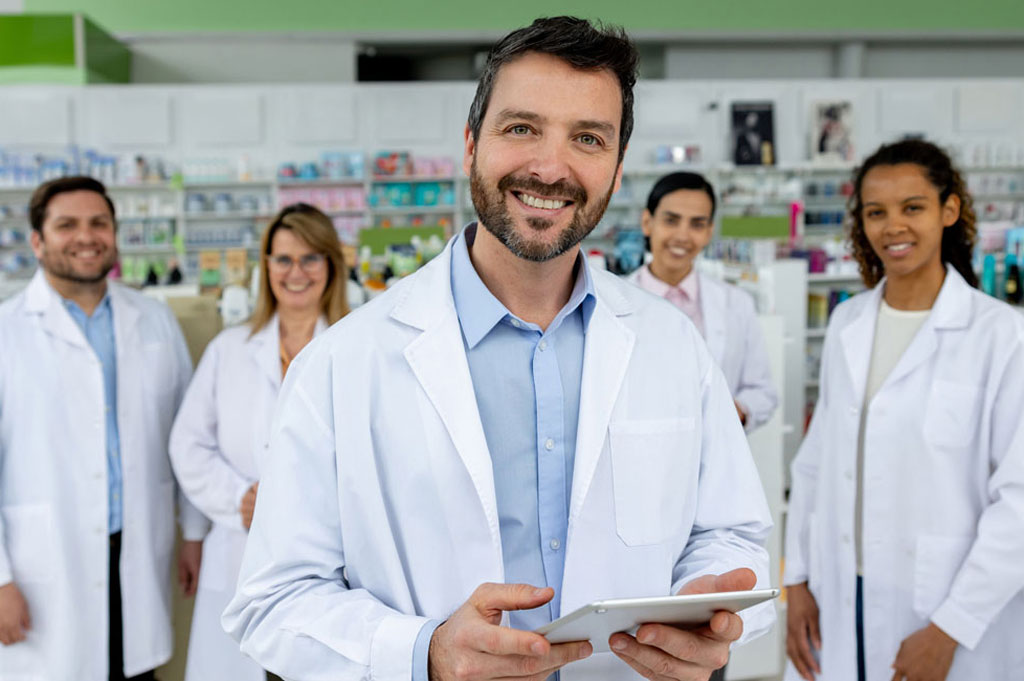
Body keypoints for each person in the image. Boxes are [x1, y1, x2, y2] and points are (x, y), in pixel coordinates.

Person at [224, 16, 775, 681]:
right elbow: (271, 601)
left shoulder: (671, 347)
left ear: (617, 168)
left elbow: (731, 532)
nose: (549, 165)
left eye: (588, 138)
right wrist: (424, 650)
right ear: (470, 145)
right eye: (521, 128)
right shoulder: (345, 361)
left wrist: (704, 608)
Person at [784, 140, 1024, 681]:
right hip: (844, 593)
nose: (894, 226)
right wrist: (796, 581)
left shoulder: (1001, 336)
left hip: (950, 608)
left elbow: (1019, 502)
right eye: (876, 212)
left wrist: (951, 627)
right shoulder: (850, 324)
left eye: (912, 207)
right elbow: (816, 465)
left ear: (949, 211)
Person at [0, 176, 208, 680]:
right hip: (42, 561)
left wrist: (194, 534)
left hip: (137, 542)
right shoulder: (7, 332)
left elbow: (187, 435)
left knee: (134, 670)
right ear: (37, 240)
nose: (86, 236)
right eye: (66, 225)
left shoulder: (153, 320)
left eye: (99, 223)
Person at [169, 203, 349, 681]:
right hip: (240, 552)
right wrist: (238, 498)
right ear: (265, 266)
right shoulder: (228, 350)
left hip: (336, 560)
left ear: (331, 265)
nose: (296, 272)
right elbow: (188, 444)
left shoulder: (357, 348)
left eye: (311, 258)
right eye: (283, 259)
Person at [628, 171, 779, 433]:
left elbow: (763, 392)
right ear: (647, 222)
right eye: (671, 220)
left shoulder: (736, 303)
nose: (683, 236)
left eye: (697, 224)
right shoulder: (612, 302)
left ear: (709, 232)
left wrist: (734, 411)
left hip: (713, 456)